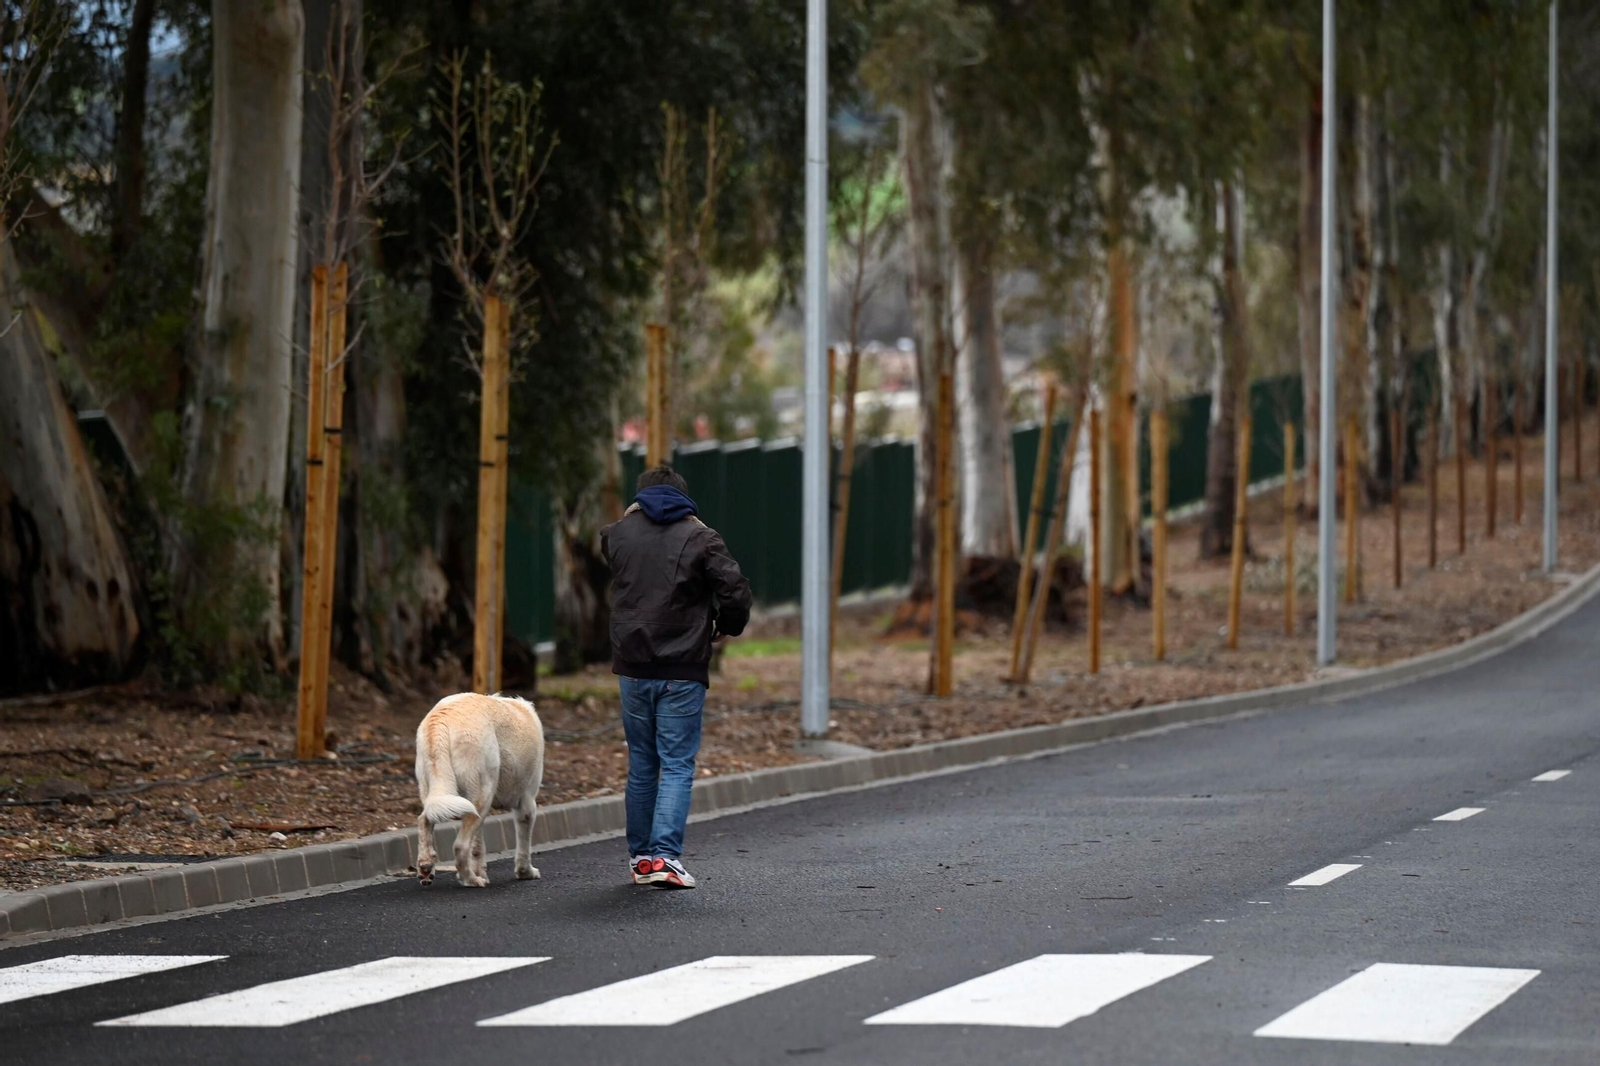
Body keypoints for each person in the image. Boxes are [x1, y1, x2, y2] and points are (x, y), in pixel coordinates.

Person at [600, 463, 752, 888]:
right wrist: (727, 626)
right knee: (678, 764)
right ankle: (666, 858)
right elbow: (735, 590)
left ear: (640, 496)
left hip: (631, 667)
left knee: (642, 764)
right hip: (682, 668)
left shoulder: (616, 535)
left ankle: (640, 859)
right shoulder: (702, 537)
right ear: (685, 498)